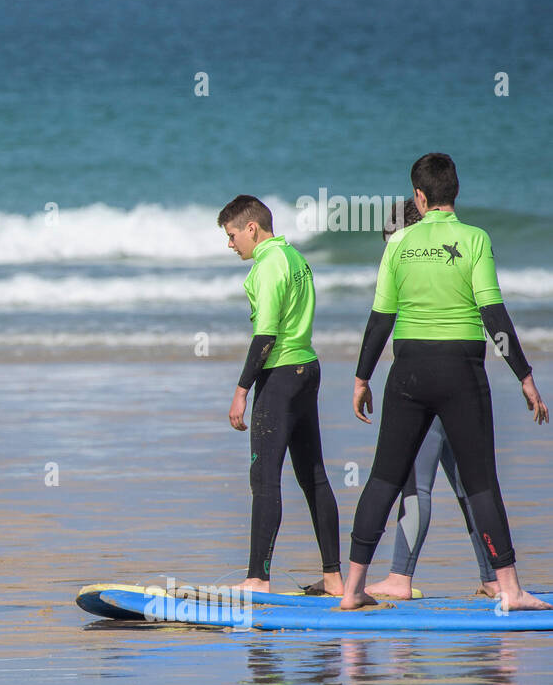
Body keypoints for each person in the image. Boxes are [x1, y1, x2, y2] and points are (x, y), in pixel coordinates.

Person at [342, 153, 549, 610]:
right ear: (455, 191)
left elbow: (380, 320)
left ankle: (353, 591)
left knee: (381, 480)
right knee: (481, 483)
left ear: (419, 196)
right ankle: (509, 589)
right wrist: (525, 376)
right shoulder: (475, 239)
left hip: (408, 368)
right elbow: (492, 315)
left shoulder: (398, 244)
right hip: (461, 369)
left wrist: (361, 377)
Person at [364, 199, 498, 599]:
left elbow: (386, 322)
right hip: (462, 380)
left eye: (391, 242)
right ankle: (492, 578)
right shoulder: (457, 251)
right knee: (470, 487)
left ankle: (400, 578)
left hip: (422, 388)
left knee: (415, 487)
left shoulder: (407, 256)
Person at [219, 194, 341, 595]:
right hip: (308, 368)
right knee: (314, 477)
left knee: (264, 478)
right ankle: (334, 578)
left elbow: (266, 335)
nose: (231, 244)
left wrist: (241, 390)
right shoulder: (295, 258)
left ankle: (258, 579)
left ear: (252, 228)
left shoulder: (268, 264)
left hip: (281, 376)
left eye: (233, 235)